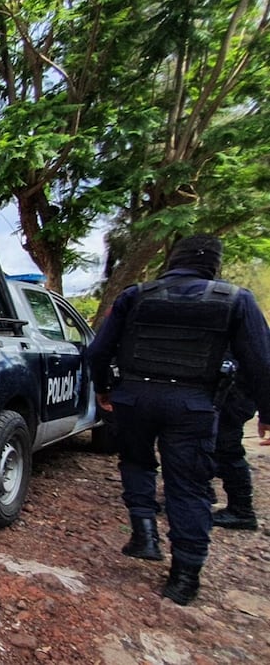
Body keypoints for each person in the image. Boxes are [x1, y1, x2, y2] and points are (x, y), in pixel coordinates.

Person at [86, 234, 270, 606]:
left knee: (136, 462)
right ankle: (184, 578)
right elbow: (261, 362)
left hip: (134, 399)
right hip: (194, 404)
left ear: (172, 259)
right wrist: (266, 413)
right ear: (214, 263)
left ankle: (145, 536)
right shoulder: (235, 300)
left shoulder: (135, 295)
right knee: (187, 486)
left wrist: (104, 389)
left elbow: (98, 351)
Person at [213, 372, 259, 530]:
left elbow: (261, 363)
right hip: (227, 389)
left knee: (227, 449)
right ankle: (204, 491)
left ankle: (241, 510)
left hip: (235, 392)